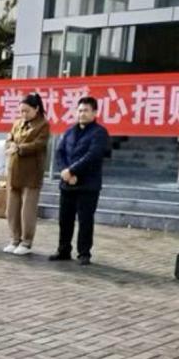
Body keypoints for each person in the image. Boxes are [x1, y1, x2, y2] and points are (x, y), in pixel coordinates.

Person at [50, 96, 111, 265]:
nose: (82, 114)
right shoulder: (69, 131)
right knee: (65, 219)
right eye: (79, 110)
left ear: (95, 112)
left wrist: (72, 170)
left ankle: (84, 253)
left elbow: (93, 155)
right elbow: (59, 152)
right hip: (67, 183)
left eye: (86, 110)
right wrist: (64, 171)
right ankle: (63, 250)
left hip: (88, 185)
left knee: (85, 220)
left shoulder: (99, 132)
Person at [3, 93, 50, 256]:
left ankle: (26, 241)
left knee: (27, 210)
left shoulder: (43, 124)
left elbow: (39, 144)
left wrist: (19, 148)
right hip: (14, 169)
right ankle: (14, 239)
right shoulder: (18, 123)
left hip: (32, 172)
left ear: (36, 109)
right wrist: (10, 144)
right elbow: (9, 138)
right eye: (21, 111)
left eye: (27, 111)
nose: (23, 114)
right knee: (12, 208)